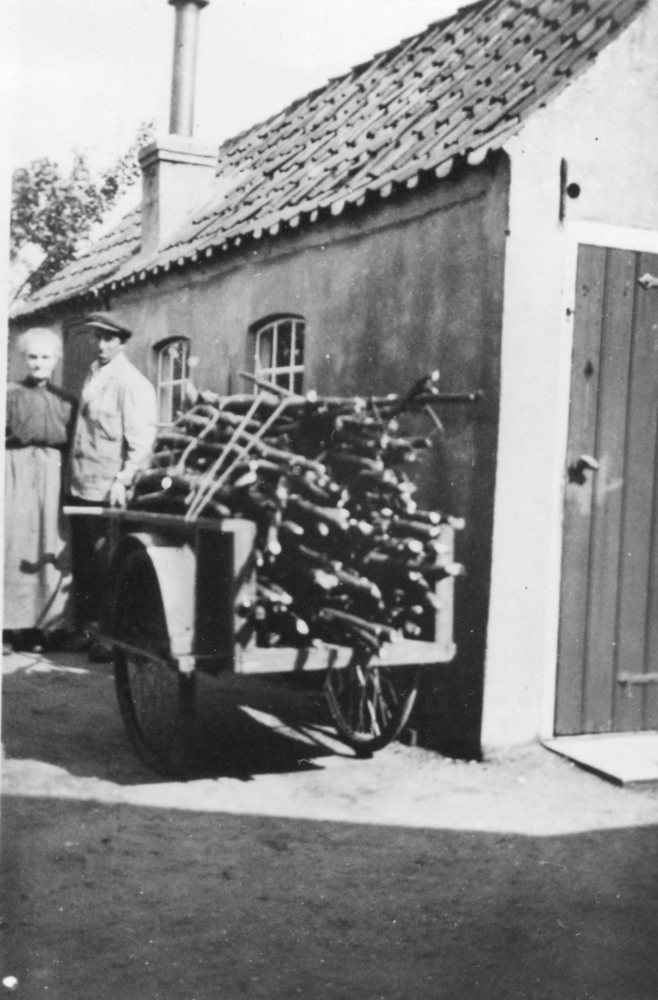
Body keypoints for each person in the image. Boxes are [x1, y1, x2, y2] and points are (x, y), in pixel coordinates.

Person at [67, 311, 157, 659]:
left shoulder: (132, 383)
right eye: (97, 337)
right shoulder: (94, 374)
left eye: (109, 339)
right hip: (82, 485)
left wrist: (124, 479)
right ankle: (91, 629)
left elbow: (142, 443)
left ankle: (112, 635)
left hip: (108, 489)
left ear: (122, 343)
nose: (101, 345)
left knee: (108, 563)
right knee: (87, 563)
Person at [3, 328, 77, 653]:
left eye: (45, 357)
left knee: (50, 544)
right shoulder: (9, 395)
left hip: (53, 473)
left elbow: (74, 445)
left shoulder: (67, 401)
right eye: (32, 357)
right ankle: (9, 627)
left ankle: (47, 627)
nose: (38, 363)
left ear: (56, 360)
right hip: (15, 471)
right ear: (24, 358)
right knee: (15, 543)